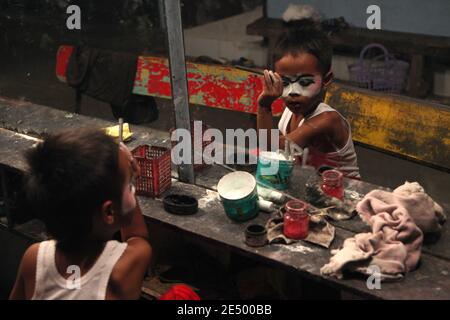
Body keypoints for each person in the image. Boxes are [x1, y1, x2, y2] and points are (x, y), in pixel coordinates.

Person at [9, 129, 151, 299]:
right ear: (109, 212)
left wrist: (125, 177)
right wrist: (132, 174)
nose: (132, 187)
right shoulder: (122, 270)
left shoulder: (33, 259)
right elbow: (137, 237)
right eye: (130, 186)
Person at [257, 18, 360, 178]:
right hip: (311, 189)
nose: (293, 92)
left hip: (345, 195)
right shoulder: (289, 112)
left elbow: (273, 150)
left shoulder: (327, 120)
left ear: (326, 79)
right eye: (285, 82)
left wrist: (264, 106)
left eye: (304, 82)